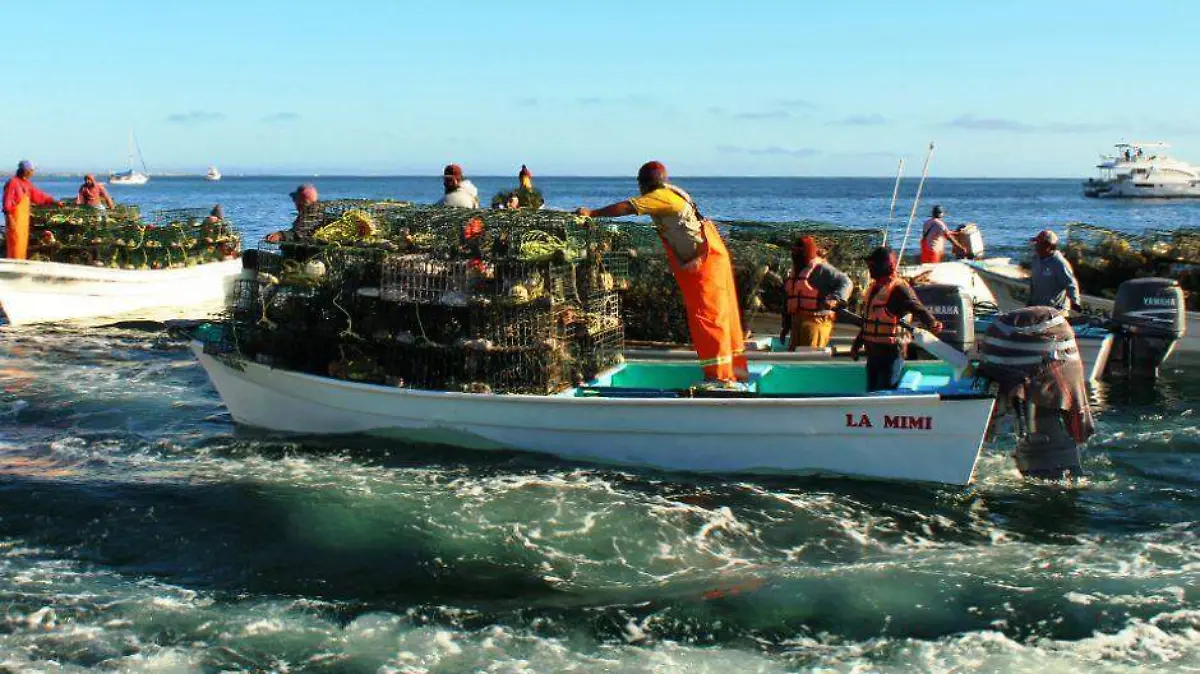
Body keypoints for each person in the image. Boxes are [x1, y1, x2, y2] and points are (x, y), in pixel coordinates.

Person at [575, 161, 748, 387]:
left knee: (708, 319)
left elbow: (628, 207)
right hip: (708, 259)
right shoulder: (670, 194)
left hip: (707, 264)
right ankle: (733, 372)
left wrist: (591, 213)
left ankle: (720, 377)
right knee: (720, 315)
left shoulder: (660, 197)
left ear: (644, 184)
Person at [851, 247, 943, 391]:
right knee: (871, 391)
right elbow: (868, 321)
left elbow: (917, 307)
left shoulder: (899, 289)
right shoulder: (874, 289)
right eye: (869, 266)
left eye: (873, 266)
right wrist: (857, 345)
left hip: (891, 353)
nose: (870, 269)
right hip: (873, 354)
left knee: (884, 392)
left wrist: (932, 323)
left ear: (889, 266)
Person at [779, 236, 853, 349]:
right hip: (796, 323)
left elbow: (846, 282)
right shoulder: (796, 272)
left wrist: (836, 298)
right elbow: (789, 300)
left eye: (799, 252)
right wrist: (786, 326)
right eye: (794, 251)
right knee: (794, 359)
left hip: (816, 322)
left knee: (808, 357)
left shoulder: (822, 269)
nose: (795, 255)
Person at [4, 160, 62, 260]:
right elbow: (7, 202)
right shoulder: (13, 183)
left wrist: (53, 201)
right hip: (15, 220)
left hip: (23, 222)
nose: (33, 173)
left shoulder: (27, 184)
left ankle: (19, 265)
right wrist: (9, 218)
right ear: (26, 171)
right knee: (15, 244)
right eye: (31, 170)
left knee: (22, 245)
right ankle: (13, 266)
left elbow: (39, 195)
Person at [1027, 229, 1082, 313]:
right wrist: (1030, 302)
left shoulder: (1059, 263)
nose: (1036, 246)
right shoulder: (1036, 259)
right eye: (1036, 243)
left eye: (1040, 244)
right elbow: (1033, 283)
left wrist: (1075, 303)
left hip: (1055, 312)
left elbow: (1071, 284)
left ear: (1049, 246)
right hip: (1037, 309)